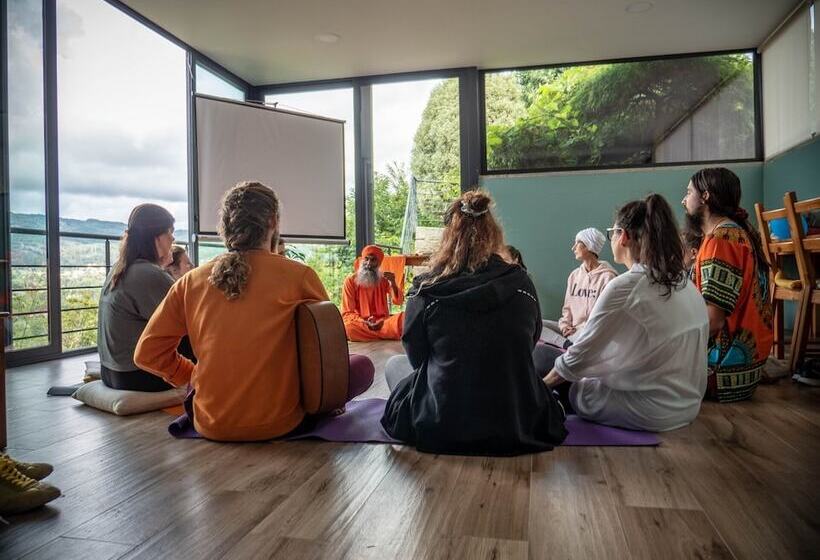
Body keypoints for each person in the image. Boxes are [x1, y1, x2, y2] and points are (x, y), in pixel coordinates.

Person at [134, 181, 374, 442]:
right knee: (362, 366)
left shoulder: (191, 281)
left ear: (225, 227)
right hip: (282, 422)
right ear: (273, 221)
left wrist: (190, 375)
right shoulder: (300, 276)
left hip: (210, 423)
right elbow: (330, 356)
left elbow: (147, 353)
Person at [381, 190, 567, 455]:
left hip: (441, 423)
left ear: (447, 236)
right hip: (514, 422)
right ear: (494, 233)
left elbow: (417, 359)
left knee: (394, 366)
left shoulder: (427, 289)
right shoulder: (521, 283)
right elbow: (530, 341)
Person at [537, 194, 709, 432]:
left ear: (624, 236)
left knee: (541, 357)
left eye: (612, 233)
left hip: (649, 410)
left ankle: (551, 401)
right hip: (687, 406)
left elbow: (577, 359)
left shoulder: (625, 286)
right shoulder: (684, 282)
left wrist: (539, 390)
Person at [682, 167, 773, 402]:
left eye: (689, 192)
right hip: (742, 373)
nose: (684, 200)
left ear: (705, 197)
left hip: (719, 372)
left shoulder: (722, 240)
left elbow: (713, 321)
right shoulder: (734, 233)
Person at [97, 204, 177, 392]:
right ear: (156, 238)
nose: (173, 238)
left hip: (110, 372)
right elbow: (188, 324)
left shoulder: (120, 267)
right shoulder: (148, 274)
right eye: (169, 232)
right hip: (136, 375)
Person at [541, 228, 617, 348]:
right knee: (538, 325)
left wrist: (580, 329)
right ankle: (567, 345)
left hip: (589, 331)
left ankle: (566, 345)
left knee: (588, 334)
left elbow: (602, 317)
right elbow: (567, 308)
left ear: (589, 246)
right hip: (571, 330)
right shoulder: (574, 275)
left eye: (578, 243)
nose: (573, 248)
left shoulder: (608, 277)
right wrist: (564, 325)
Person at [341, 245, 404, 341]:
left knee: (403, 319)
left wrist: (393, 283)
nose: (368, 264)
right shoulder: (350, 281)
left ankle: (374, 334)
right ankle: (385, 334)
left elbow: (398, 301)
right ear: (362, 260)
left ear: (379, 263)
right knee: (348, 328)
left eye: (373, 260)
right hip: (362, 324)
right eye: (366, 259)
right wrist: (365, 322)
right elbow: (347, 313)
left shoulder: (384, 280)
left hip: (383, 323)